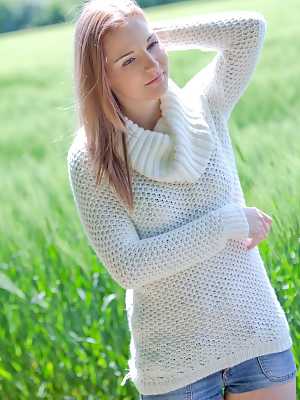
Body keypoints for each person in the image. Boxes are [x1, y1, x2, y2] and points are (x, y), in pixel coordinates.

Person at [67, 0, 297, 399]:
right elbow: (129, 266)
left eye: (153, 48)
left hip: (257, 340)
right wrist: (225, 223)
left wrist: (147, 33)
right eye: (127, 61)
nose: (152, 65)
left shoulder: (205, 106)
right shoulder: (92, 159)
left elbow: (249, 29)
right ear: (99, 76)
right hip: (175, 370)